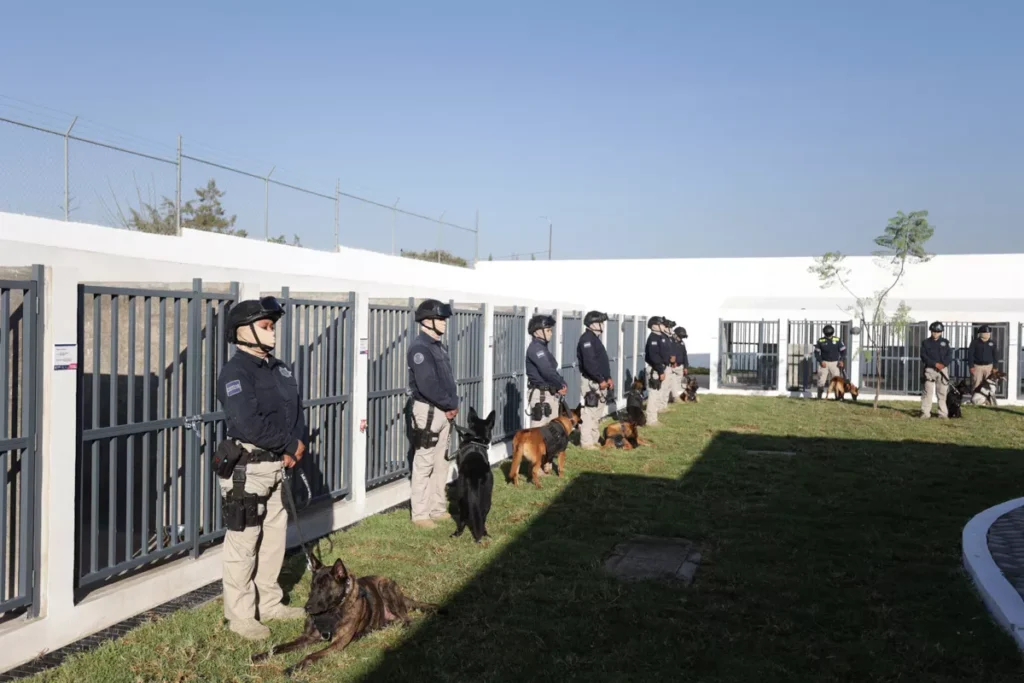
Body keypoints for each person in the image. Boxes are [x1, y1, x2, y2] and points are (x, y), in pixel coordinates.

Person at [216, 296, 306, 641]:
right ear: (243, 331)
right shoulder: (234, 373)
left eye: (272, 327)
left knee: (273, 540)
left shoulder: (279, 368)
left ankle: (269, 603)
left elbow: (294, 413)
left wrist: (294, 446)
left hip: (279, 466)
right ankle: (241, 615)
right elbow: (247, 422)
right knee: (244, 542)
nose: (272, 333)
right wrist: (287, 444)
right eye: (266, 327)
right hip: (249, 470)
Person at [407, 299, 459, 529]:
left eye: (444, 319)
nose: (444, 323)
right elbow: (427, 384)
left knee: (441, 462)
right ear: (427, 321)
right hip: (429, 410)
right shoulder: (420, 348)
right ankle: (420, 514)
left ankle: (437, 507)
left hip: (443, 410)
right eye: (440, 319)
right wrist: (449, 404)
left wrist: (450, 405)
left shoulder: (438, 346)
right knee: (424, 462)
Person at [577, 310, 612, 449]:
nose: (602, 324)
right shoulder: (586, 339)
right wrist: (600, 379)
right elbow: (590, 364)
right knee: (589, 412)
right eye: (600, 322)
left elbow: (601, 362)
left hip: (600, 381)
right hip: (592, 382)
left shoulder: (594, 338)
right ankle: (586, 442)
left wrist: (608, 377)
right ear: (593, 324)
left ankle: (594, 438)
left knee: (597, 413)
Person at [525, 313, 566, 429]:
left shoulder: (542, 348)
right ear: (537, 332)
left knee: (550, 431)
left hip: (549, 393)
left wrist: (562, 383)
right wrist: (560, 385)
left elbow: (551, 369)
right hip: (541, 395)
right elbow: (547, 371)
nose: (551, 333)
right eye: (548, 330)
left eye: (551, 330)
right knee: (539, 430)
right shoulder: (536, 349)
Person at [920, 321, 952, 419]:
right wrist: (935, 364)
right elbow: (923, 356)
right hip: (930, 369)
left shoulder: (945, 343)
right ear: (931, 331)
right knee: (927, 393)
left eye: (938, 331)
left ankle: (942, 414)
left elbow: (949, 355)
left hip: (942, 370)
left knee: (942, 393)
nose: (935, 333)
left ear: (941, 332)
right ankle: (925, 413)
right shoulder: (925, 342)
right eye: (934, 331)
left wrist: (944, 365)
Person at [644, 316, 669, 426]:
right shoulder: (653, 338)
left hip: (661, 368)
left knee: (658, 393)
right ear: (655, 326)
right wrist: (660, 371)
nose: (664, 326)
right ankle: (651, 420)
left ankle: (654, 417)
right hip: (656, 369)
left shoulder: (660, 337)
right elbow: (654, 357)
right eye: (662, 324)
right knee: (653, 394)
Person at [814, 325, 847, 399]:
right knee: (821, 381)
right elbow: (816, 353)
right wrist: (821, 361)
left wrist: (841, 360)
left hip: (835, 363)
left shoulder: (837, 340)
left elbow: (843, 351)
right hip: (824, 363)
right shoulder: (820, 341)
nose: (828, 335)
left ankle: (837, 397)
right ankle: (819, 397)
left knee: (837, 381)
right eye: (827, 334)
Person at [968, 325, 998, 396]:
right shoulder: (974, 342)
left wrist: (995, 367)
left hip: (989, 367)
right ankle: (975, 400)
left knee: (989, 384)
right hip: (977, 366)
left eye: (988, 332)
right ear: (981, 333)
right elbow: (970, 355)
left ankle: (989, 400)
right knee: (976, 383)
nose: (987, 334)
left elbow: (995, 356)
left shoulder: (992, 343)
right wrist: (971, 366)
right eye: (985, 332)